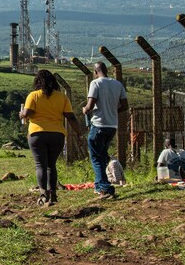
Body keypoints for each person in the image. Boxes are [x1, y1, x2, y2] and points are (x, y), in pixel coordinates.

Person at [20, 69, 83, 206]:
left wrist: (22, 114)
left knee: (40, 165)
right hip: (57, 134)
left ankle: (43, 194)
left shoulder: (33, 95)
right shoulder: (62, 97)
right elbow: (71, 117)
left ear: (37, 81)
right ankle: (53, 193)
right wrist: (79, 133)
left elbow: (28, 112)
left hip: (37, 134)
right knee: (51, 165)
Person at [83, 62, 128, 200]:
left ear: (96, 71)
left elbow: (90, 105)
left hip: (98, 125)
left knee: (96, 157)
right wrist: (113, 110)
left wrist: (85, 109)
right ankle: (98, 185)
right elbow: (125, 105)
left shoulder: (95, 83)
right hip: (112, 126)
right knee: (102, 155)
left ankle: (105, 187)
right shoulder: (117, 84)